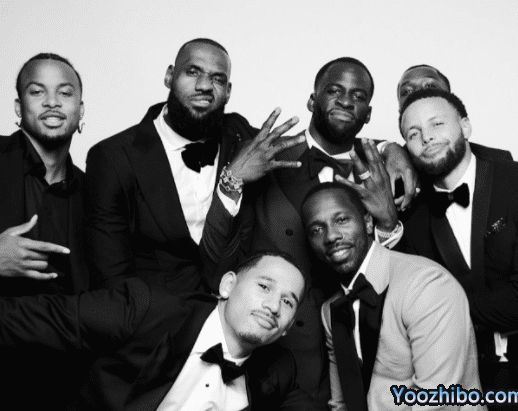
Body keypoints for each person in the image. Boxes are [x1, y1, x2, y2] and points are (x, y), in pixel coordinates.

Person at [247, 57, 418, 402]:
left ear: (368, 114)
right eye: (335, 91)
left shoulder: (383, 170)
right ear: (312, 100)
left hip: (354, 348)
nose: (346, 101)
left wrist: (391, 150)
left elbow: (396, 272)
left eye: (358, 96)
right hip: (274, 346)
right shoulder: (268, 155)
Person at [85, 38, 302, 292]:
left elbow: (304, 154)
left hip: (230, 308)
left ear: (228, 91)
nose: (204, 86)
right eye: (192, 72)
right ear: (169, 76)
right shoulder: (114, 157)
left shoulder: (241, 139)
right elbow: (111, 277)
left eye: (217, 79)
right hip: (150, 311)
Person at [0, 251, 328, 411]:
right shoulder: (146, 311)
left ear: (287, 327)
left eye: (288, 301)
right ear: (228, 285)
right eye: (264, 286)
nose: (273, 306)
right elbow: (26, 321)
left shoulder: (279, 370)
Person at [399, 88, 518, 409]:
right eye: (413, 134)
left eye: (437, 124)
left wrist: (445, 313)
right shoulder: (413, 218)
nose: (427, 137)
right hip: (468, 388)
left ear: (466, 127)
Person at [301, 182, 484, 410]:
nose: (331, 236)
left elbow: (438, 402)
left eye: (341, 220)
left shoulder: (426, 285)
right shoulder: (331, 310)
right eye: (316, 230)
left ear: (368, 222)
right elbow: (342, 404)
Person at [0, 53, 90, 409]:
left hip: (62, 386)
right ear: (18, 108)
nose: (52, 102)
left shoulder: (95, 194)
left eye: (65, 93)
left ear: (80, 111)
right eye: (37, 92)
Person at [396, 64, 513, 161]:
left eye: (430, 85)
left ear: (450, 98)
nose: (418, 93)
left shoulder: (499, 161)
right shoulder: (391, 165)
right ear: (400, 110)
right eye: (406, 91)